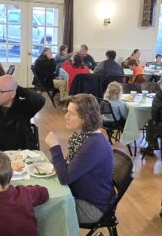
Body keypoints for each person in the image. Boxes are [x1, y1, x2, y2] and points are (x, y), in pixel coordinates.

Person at [45, 95, 114, 224]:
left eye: (71, 114)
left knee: (43, 211)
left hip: (94, 207)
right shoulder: (84, 136)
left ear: (85, 118)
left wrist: (55, 146)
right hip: (83, 195)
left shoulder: (93, 144)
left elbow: (65, 178)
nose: (66, 117)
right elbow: (70, 167)